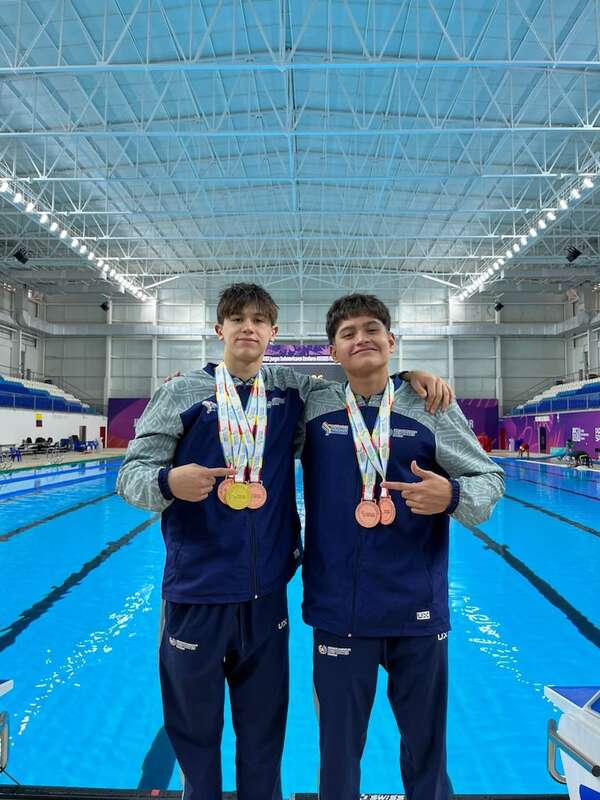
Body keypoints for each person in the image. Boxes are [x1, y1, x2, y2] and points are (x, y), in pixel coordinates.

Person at [116, 283, 452, 800]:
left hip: (265, 598)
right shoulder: (181, 393)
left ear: (274, 333)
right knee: (197, 747)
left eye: (258, 320)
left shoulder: (294, 395)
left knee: (263, 744)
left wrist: (411, 376)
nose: (247, 327)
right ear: (219, 330)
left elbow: (366, 383)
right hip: (195, 594)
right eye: (236, 319)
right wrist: (167, 483)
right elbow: (130, 477)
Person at [299, 293, 505, 800]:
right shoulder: (311, 404)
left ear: (391, 341)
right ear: (332, 352)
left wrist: (452, 494)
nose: (361, 338)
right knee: (337, 758)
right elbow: (247, 389)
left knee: (427, 753)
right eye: (347, 333)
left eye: (372, 329)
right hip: (338, 612)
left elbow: (489, 478)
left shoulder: (431, 404)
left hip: (417, 609)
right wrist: (185, 381)